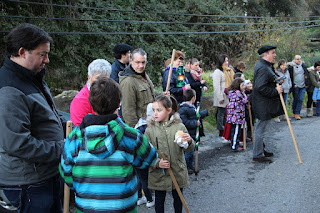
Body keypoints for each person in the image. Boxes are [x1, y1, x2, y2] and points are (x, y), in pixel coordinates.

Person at [60, 77, 158, 212]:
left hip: (86, 207)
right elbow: (150, 158)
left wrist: (80, 187)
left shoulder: (74, 138)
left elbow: (66, 171)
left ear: (91, 103)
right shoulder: (130, 136)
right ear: (119, 104)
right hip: (122, 207)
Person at [0, 23, 65, 212]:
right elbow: (17, 143)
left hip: (45, 176)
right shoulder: (9, 91)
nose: (47, 60)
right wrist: (61, 148)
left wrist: (69, 127)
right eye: (42, 54)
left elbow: (46, 115)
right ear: (22, 52)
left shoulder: (32, 77)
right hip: (27, 184)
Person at [145, 94, 195, 213]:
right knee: (159, 200)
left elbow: (188, 149)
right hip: (158, 174)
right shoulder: (149, 130)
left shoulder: (179, 126)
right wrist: (157, 163)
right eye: (153, 110)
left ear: (169, 111)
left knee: (178, 199)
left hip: (177, 171)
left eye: (159, 110)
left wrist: (189, 141)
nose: (155, 113)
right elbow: (146, 153)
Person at [119, 48, 156, 207]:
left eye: (143, 62)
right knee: (141, 164)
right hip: (138, 129)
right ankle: (147, 196)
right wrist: (133, 134)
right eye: (138, 62)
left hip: (149, 126)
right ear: (131, 61)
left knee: (142, 164)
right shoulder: (128, 81)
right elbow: (128, 111)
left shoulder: (144, 76)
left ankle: (143, 195)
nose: (141, 65)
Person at [252, 45, 284, 162]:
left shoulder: (266, 66)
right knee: (260, 129)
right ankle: (258, 155)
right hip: (262, 104)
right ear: (266, 54)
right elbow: (260, 87)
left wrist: (277, 80)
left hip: (264, 103)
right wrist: (275, 91)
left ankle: (260, 150)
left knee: (262, 128)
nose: (275, 55)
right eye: (273, 53)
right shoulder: (263, 68)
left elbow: (268, 80)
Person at [70, 59, 112, 126]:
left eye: (105, 79)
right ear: (89, 77)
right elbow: (78, 129)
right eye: (98, 78)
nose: (101, 82)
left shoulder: (110, 93)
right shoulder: (81, 100)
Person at [211, 54, 234, 138]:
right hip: (221, 95)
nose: (226, 63)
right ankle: (221, 130)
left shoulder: (229, 71)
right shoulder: (218, 72)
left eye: (227, 61)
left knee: (226, 113)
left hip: (228, 95)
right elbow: (216, 85)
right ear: (221, 62)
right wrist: (220, 97)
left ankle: (226, 129)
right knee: (221, 113)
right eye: (224, 61)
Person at [178, 89, 200, 174]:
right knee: (188, 152)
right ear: (193, 98)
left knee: (192, 151)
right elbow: (185, 122)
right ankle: (186, 166)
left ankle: (190, 165)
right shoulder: (184, 109)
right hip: (188, 133)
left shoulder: (192, 108)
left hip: (193, 133)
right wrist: (195, 123)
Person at [226, 78, 248, 151]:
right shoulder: (238, 93)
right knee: (236, 131)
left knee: (234, 130)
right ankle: (234, 145)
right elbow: (244, 100)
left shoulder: (231, 92)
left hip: (233, 115)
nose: (243, 87)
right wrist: (247, 96)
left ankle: (235, 143)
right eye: (242, 85)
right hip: (237, 115)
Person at [288, 55, 311, 120]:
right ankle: (294, 112)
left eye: (300, 59)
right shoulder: (291, 66)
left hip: (303, 85)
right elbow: (289, 77)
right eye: (297, 59)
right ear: (294, 59)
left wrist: (307, 83)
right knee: (296, 98)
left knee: (301, 99)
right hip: (296, 85)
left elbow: (306, 74)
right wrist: (293, 84)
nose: (299, 60)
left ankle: (297, 113)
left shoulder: (303, 65)